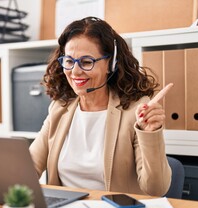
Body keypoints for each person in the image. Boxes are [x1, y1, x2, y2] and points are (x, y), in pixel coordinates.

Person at [29, 17, 172, 196]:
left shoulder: (136, 111)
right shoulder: (60, 108)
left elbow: (156, 189)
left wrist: (150, 134)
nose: (75, 72)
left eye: (87, 62)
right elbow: (29, 168)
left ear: (110, 64)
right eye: (69, 61)